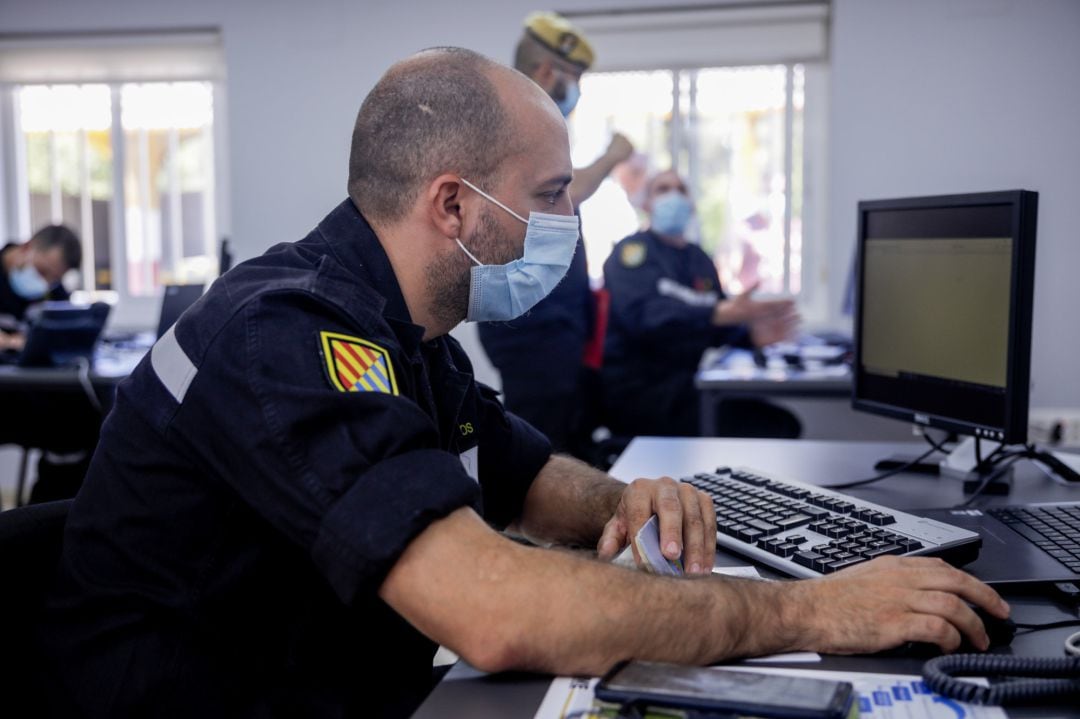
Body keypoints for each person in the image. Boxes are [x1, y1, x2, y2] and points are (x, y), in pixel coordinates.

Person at [39, 48, 1008, 719]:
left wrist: (632, 500)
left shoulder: (409, 336)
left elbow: (532, 476)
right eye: (550, 198)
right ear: (453, 203)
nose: (565, 225)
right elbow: (498, 612)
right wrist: (810, 610)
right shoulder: (289, 335)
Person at [478, 11, 633, 456]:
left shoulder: (534, 122)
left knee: (563, 444)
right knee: (540, 459)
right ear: (548, 72)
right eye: (573, 76)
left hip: (549, 324)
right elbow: (557, 197)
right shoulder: (512, 121)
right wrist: (611, 156)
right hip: (532, 328)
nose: (576, 90)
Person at [603, 170, 803, 438]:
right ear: (647, 204)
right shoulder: (632, 254)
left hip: (688, 387)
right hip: (641, 394)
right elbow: (645, 318)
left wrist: (751, 336)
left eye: (681, 189)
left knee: (779, 420)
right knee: (775, 427)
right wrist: (717, 314)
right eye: (662, 189)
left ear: (691, 204)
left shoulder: (699, 260)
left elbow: (719, 324)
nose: (673, 195)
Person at [0, 224, 82, 352]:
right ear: (26, 248)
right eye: (42, 271)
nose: (45, 285)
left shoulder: (55, 293)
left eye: (54, 279)